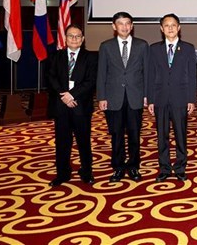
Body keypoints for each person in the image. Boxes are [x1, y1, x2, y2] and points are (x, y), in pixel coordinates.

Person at [97, 12, 149, 182]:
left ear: (132, 26)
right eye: (120, 23)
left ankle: (134, 166)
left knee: (134, 134)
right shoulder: (106, 46)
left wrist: (147, 95)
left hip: (136, 97)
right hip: (113, 98)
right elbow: (101, 74)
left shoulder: (142, 45)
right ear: (114, 26)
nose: (124, 27)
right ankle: (118, 167)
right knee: (116, 134)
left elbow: (147, 73)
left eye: (128, 23)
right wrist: (102, 97)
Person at [46, 24, 98, 186]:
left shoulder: (91, 57)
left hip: (81, 105)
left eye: (77, 36)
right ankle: (62, 173)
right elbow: (51, 78)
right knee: (62, 142)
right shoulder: (56, 56)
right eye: (71, 36)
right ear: (65, 38)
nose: (74, 39)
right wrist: (64, 95)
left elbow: (91, 81)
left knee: (84, 141)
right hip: (61, 105)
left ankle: (87, 171)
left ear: (83, 39)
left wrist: (72, 95)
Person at [147, 14, 197, 182]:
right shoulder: (153, 49)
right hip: (160, 98)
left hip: (180, 98)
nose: (170, 28)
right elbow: (150, 76)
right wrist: (151, 99)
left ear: (179, 27)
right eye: (166, 25)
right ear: (161, 29)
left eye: (173, 25)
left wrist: (191, 99)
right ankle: (164, 168)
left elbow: (192, 76)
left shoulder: (188, 48)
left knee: (181, 135)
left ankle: (180, 167)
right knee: (162, 136)